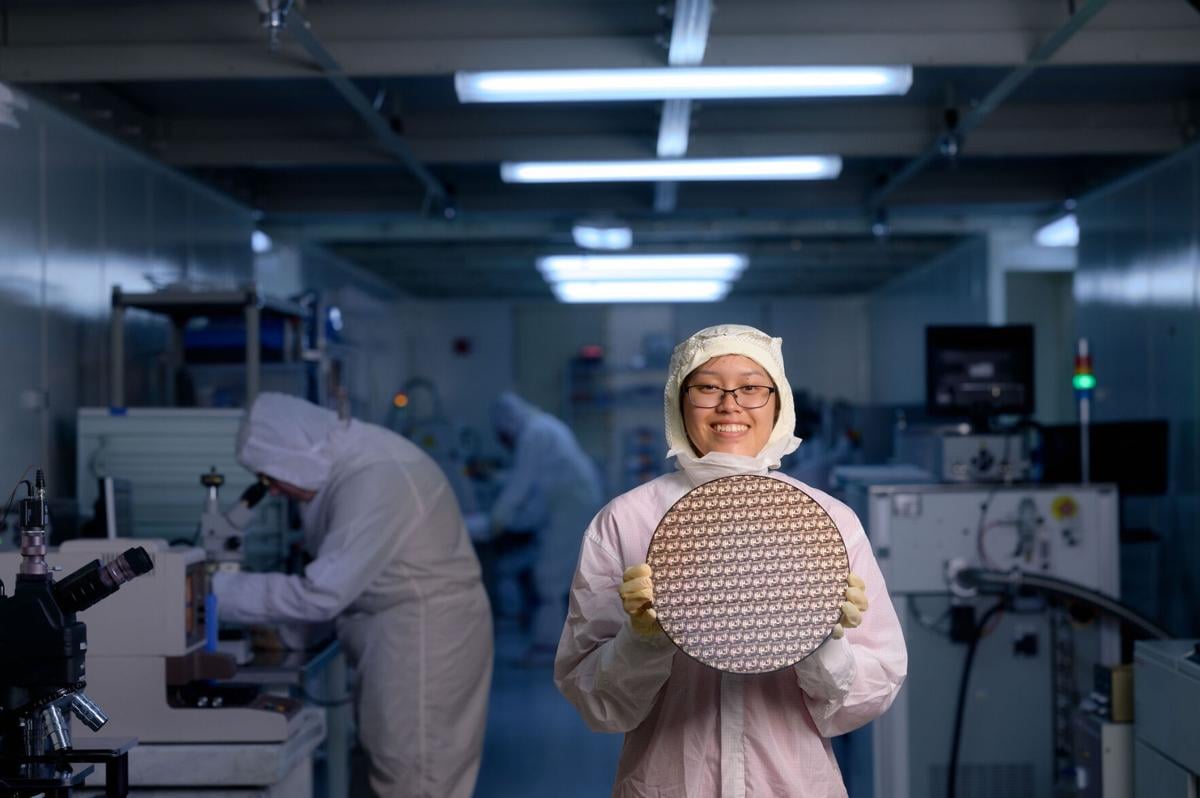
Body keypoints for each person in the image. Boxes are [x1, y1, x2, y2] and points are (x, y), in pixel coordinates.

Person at [555, 325, 907, 797]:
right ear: (679, 402)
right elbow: (594, 701)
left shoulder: (829, 523)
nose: (730, 404)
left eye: (751, 387)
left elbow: (871, 693)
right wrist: (640, 642)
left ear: (778, 402)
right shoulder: (623, 521)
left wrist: (823, 644)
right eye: (707, 387)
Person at [212, 393, 492, 798]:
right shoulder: (349, 463)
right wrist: (290, 636)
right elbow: (348, 576)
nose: (271, 491)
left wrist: (214, 592)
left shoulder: (375, 476)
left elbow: (323, 592)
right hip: (398, 631)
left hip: (424, 638)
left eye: (272, 477)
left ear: (296, 454)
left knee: (415, 776)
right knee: (390, 766)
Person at [490, 391, 604, 659]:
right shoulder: (545, 427)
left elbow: (521, 483)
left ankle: (549, 645)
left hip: (571, 505)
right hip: (572, 503)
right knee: (556, 572)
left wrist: (498, 517)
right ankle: (555, 642)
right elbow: (539, 489)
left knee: (549, 574)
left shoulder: (534, 434)